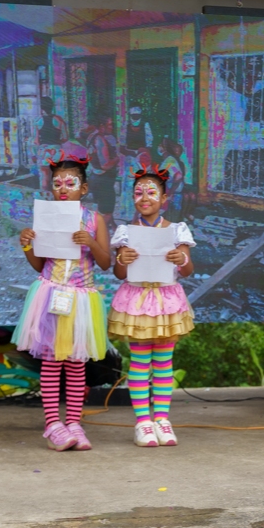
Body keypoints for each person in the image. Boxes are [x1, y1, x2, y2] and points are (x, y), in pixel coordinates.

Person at [13, 155, 111, 452]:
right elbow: (38, 264)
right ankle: (53, 423)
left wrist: (91, 242)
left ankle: (74, 422)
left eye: (71, 183)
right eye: (57, 184)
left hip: (81, 298)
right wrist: (28, 244)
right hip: (51, 293)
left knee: (76, 362)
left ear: (84, 188)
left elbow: (106, 262)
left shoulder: (96, 220)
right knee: (52, 360)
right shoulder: (46, 218)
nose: (63, 189)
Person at [109, 163, 196, 447]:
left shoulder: (177, 230)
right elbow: (119, 273)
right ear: (132, 198)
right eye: (138, 193)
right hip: (137, 300)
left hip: (167, 300)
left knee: (163, 362)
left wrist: (180, 260)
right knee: (140, 361)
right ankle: (143, 422)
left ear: (164, 198)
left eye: (150, 192)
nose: (144, 198)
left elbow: (188, 270)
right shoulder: (126, 232)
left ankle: (162, 419)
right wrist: (122, 260)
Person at [86, 116, 120, 232]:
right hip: (104, 180)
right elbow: (105, 164)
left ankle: (113, 228)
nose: (112, 127)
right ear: (102, 126)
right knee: (107, 212)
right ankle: (96, 235)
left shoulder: (91, 137)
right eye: (109, 125)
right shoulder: (100, 140)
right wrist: (116, 159)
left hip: (95, 178)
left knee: (103, 210)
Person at [35, 96, 68, 192]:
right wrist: (57, 142)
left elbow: (36, 141)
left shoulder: (37, 121)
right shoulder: (59, 120)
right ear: (52, 106)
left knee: (44, 179)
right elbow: (65, 137)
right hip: (57, 151)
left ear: (41, 108)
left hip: (44, 151)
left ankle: (46, 200)